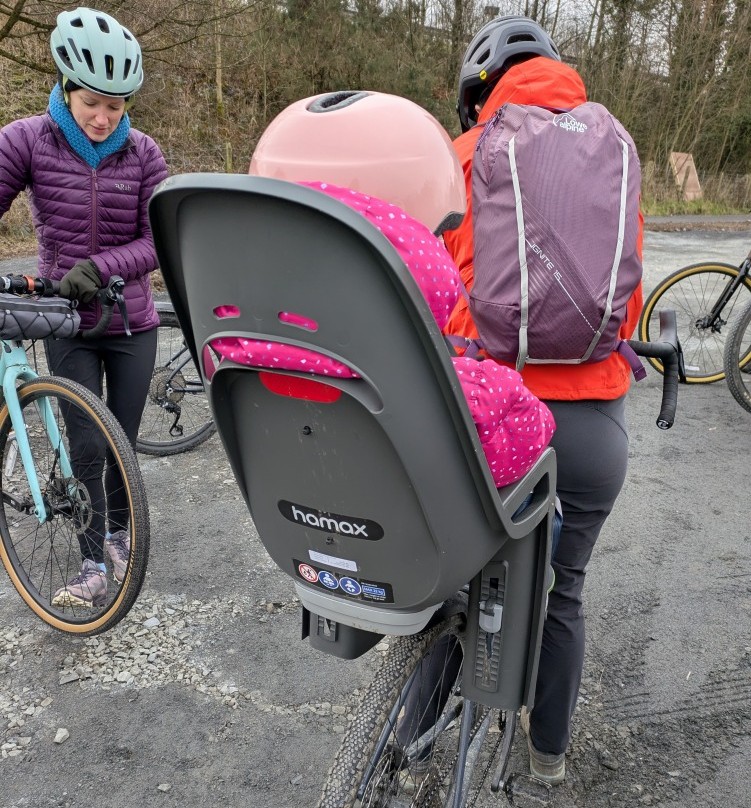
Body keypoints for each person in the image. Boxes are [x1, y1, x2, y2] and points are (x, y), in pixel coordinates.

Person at [445, 15, 645, 785]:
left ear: (478, 96)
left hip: (493, 422)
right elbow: (620, 308)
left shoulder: (461, 157)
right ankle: (548, 757)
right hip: (592, 434)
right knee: (566, 591)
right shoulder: (616, 153)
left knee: (461, 579)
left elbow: (430, 296)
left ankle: (415, 730)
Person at [210, 89, 556, 490]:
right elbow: (516, 443)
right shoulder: (432, 385)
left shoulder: (246, 336)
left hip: (299, 510)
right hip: (414, 535)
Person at [0, 7, 168, 606]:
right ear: (67, 89)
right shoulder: (27, 139)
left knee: (122, 438)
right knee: (86, 445)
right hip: (65, 323)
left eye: (116, 107)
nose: (102, 118)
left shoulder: (145, 155)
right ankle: (91, 560)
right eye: (91, 102)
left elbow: (156, 242)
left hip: (132, 322)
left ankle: (121, 533)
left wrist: (100, 267)